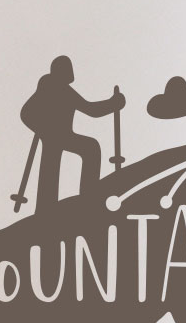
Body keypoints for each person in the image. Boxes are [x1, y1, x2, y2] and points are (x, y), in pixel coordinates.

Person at [20, 56, 125, 209]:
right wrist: (114, 104)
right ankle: (85, 196)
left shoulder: (62, 89)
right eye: (68, 69)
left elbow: (91, 110)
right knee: (89, 149)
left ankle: (58, 203)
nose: (71, 72)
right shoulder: (53, 88)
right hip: (54, 136)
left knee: (86, 149)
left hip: (61, 135)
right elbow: (26, 113)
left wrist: (112, 104)